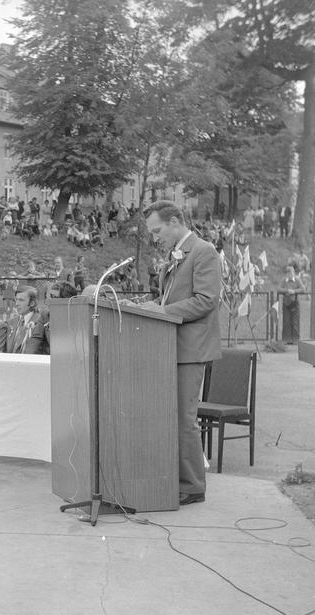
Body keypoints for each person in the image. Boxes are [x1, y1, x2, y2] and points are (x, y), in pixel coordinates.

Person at [141, 200, 221, 506]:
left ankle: (192, 485)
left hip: (190, 349)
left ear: (175, 221)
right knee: (171, 416)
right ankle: (174, 478)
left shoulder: (204, 251)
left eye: (157, 230)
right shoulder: (176, 254)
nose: (155, 237)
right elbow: (170, 297)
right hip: (169, 347)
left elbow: (206, 300)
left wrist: (161, 310)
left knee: (184, 418)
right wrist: (147, 305)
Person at [6, 286, 42, 354]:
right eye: (16, 299)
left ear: (32, 303)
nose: (16, 304)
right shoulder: (11, 322)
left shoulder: (40, 324)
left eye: (21, 300)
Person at [279, 264, 307, 345]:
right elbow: (278, 289)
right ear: (286, 274)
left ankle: (295, 340)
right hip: (286, 304)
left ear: (294, 273)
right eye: (288, 273)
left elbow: (303, 289)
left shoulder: (297, 280)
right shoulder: (284, 280)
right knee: (286, 321)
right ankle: (286, 339)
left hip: (295, 304)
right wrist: (287, 290)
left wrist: (294, 291)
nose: (290, 274)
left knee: (295, 322)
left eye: (291, 273)